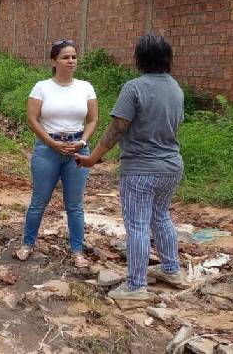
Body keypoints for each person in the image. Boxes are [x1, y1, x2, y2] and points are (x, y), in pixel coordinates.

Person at [76, 34, 190, 300]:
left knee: (137, 225)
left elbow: (118, 127)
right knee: (161, 216)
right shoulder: (175, 88)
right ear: (167, 58)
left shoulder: (134, 87)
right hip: (171, 165)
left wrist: (93, 158)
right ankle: (171, 269)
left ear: (139, 58)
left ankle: (136, 285)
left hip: (140, 168)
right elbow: (175, 123)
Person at [14, 40, 98, 267]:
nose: (71, 61)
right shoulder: (42, 87)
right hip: (47, 149)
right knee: (39, 201)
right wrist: (51, 142)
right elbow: (32, 119)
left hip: (77, 150)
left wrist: (82, 142)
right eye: (65, 57)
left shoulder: (85, 87)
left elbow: (92, 120)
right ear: (54, 61)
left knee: (75, 204)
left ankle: (77, 251)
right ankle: (27, 244)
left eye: (74, 57)